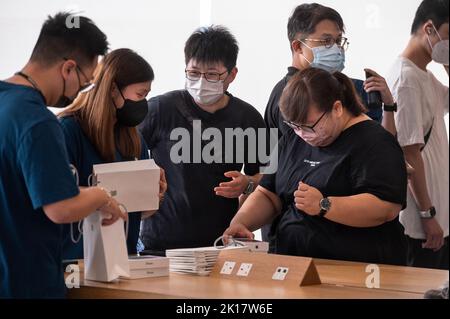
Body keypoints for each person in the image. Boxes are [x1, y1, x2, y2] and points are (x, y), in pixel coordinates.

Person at [223, 68, 407, 265]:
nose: (302, 134)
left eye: (309, 126)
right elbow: (269, 193)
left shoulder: (375, 142)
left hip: (356, 267)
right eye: (294, 126)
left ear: (337, 108)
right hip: (292, 265)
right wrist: (241, 222)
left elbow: (386, 207)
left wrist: (325, 205)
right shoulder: (294, 138)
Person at [0, 12, 126, 298]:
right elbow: (60, 209)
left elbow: (27, 190)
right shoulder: (37, 120)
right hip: (26, 283)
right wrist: (101, 196)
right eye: (86, 82)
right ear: (68, 69)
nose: (82, 92)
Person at [261, 3, 394, 242]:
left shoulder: (350, 89)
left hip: (351, 241)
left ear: (337, 107)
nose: (335, 49)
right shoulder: (288, 98)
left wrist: (389, 107)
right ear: (297, 46)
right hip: (294, 234)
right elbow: (273, 182)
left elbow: (382, 154)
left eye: (338, 40)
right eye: (325, 42)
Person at [139, 26, 267, 252]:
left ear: (232, 74)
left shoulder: (249, 118)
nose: (201, 82)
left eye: (212, 75)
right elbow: (124, 154)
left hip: (220, 244)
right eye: (194, 73)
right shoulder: (160, 109)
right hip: (159, 245)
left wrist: (248, 183)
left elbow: (272, 178)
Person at [58, 48, 167, 260]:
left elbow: (137, 212)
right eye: (140, 94)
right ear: (112, 89)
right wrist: (97, 198)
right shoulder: (68, 131)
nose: (144, 103)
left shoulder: (133, 138)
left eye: (147, 95)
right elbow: (56, 200)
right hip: (76, 261)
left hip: (124, 260)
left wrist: (154, 195)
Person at [387, 0, 449, 270]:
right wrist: (427, 214)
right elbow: (408, 153)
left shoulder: (424, 75)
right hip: (421, 223)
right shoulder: (406, 79)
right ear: (429, 29)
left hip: (437, 217)